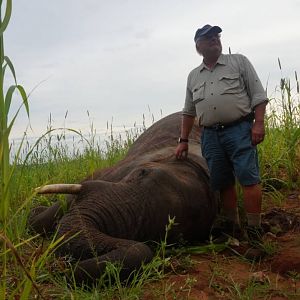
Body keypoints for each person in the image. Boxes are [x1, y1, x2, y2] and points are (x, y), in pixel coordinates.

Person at [175, 24, 268, 243]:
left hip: (240, 130)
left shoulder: (239, 62)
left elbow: (258, 95)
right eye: (208, 38)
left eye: (216, 36)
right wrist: (183, 140)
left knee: (249, 178)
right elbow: (188, 112)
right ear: (198, 46)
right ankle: (232, 227)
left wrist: (259, 123)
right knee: (222, 181)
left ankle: (254, 231)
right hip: (210, 136)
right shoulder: (193, 76)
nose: (214, 39)